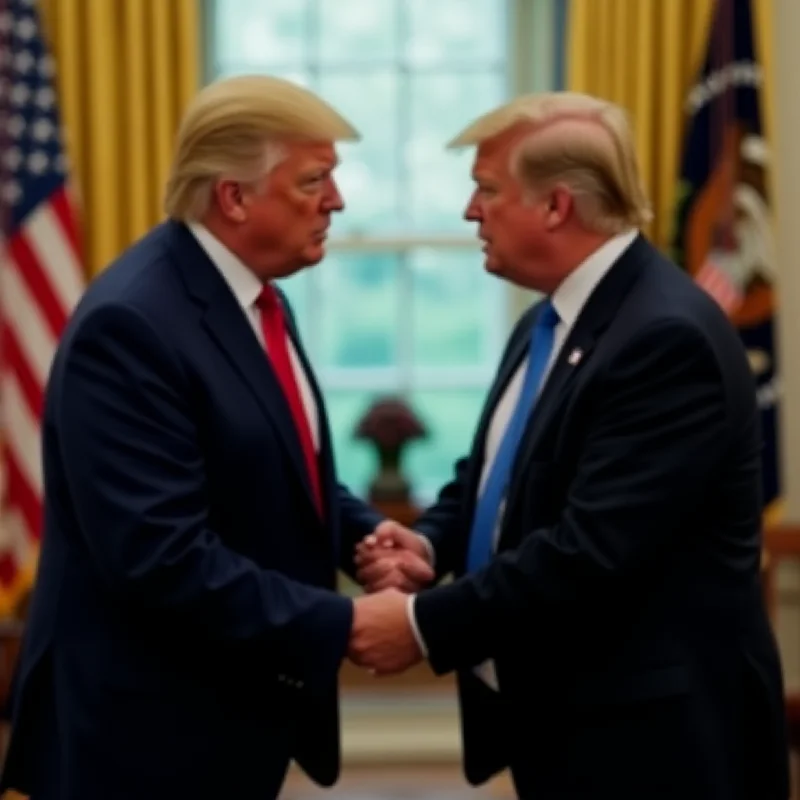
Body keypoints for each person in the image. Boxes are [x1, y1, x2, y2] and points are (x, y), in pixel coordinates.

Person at [0, 75, 431, 800]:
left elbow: (275, 460)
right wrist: (344, 623)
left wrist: (365, 534)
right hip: (142, 735)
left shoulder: (255, 294)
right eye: (315, 180)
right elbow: (159, 556)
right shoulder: (133, 325)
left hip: (223, 713)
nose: (338, 201)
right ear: (233, 197)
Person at [351, 92, 790, 800]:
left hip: (656, 742)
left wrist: (423, 627)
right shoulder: (549, 320)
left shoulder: (663, 337)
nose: (470, 211)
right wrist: (427, 546)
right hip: (567, 719)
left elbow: (590, 552)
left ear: (556, 207)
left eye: (487, 190)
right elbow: (494, 476)